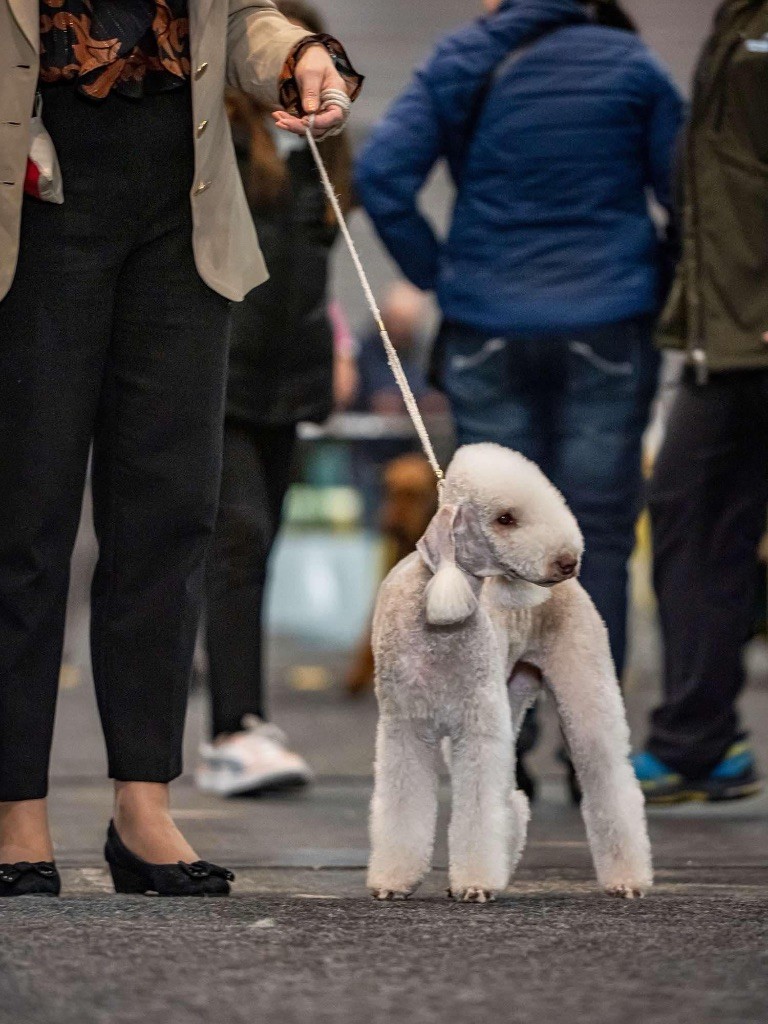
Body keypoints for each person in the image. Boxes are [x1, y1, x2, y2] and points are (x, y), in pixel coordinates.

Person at [0, 0, 360, 898]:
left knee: (170, 517)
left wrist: (302, 56)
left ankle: (143, 802)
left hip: (184, 217)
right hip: (34, 206)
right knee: (23, 520)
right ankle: (15, 810)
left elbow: (242, 19)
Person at [355, 0, 684, 795]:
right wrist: (654, 279)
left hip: (488, 325)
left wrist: (439, 272)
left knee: (490, 540)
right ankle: (589, 752)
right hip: (608, 321)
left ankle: (498, 752)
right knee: (592, 531)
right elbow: (690, 194)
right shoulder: (632, 66)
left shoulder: (461, 57)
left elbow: (381, 174)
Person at [197, 0, 354, 798]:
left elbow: (315, 268)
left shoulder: (322, 153)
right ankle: (233, 727)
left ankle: (241, 717)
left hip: (289, 380)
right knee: (238, 540)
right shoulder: (221, 139)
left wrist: (343, 345)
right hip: (218, 371)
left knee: (254, 552)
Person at [632, 0, 768, 804]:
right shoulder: (737, 20)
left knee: (696, 515)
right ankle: (701, 740)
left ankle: (698, 738)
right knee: (693, 517)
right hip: (729, 334)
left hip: (751, 329)